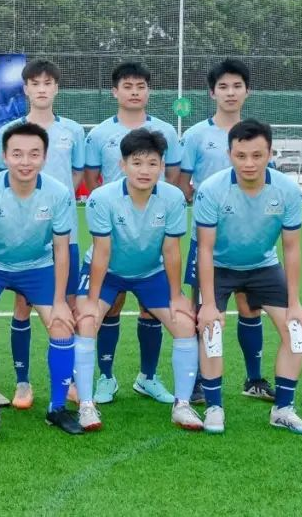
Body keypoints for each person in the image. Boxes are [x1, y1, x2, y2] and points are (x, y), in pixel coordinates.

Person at [74, 128, 202, 432]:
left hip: (150, 273)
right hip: (107, 272)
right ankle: (86, 405)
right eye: (137, 162)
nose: (145, 170)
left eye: (152, 163)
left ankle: (182, 405)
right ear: (123, 165)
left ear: (162, 166)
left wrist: (176, 295)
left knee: (185, 324)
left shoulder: (173, 197)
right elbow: (102, 251)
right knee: (86, 321)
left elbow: (171, 250)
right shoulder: (102, 198)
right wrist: (91, 301)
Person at [0, 122, 81, 434]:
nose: (25, 161)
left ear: (44, 157)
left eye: (33, 154)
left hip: (37, 266)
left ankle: (57, 408)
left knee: (61, 324)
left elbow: (61, 250)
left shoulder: (58, 193)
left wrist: (60, 300)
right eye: (17, 154)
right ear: (5, 156)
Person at [194, 119, 302, 435]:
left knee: (297, 332)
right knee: (211, 331)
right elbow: (204, 249)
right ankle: (214, 407)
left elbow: (291, 248)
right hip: (219, 266)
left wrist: (295, 303)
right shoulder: (211, 190)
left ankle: (283, 409)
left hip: (263, 266)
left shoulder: (287, 190)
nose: (249, 163)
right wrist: (208, 304)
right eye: (241, 155)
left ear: (270, 154)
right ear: (229, 154)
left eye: (257, 155)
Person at [82, 61, 182, 405]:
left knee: (151, 309)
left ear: (149, 91)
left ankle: (148, 377)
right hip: (114, 228)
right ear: (115, 91)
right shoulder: (98, 134)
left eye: (141, 86)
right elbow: (93, 179)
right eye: (127, 86)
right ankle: (105, 378)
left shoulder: (166, 131)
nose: (135, 92)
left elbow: (174, 177)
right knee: (107, 308)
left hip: (150, 233)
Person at [179, 59, 273, 402]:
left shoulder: (258, 135)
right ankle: (198, 381)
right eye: (223, 86)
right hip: (207, 241)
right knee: (202, 309)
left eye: (237, 86)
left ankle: (254, 379)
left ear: (247, 91)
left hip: (249, 241)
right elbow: (182, 185)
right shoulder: (195, 135)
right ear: (212, 93)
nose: (230, 93)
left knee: (251, 308)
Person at [0, 59, 86, 409]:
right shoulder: (11, 130)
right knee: (22, 306)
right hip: (23, 235)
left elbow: (76, 176)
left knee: (67, 306)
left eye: (48, 83)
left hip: (64, 236)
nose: (42, 89)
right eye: (35, 83)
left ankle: (69, 381)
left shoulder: (73, 130)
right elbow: (3, 178)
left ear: (56, 88)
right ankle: (22, 383)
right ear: (26, 89)